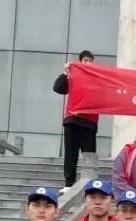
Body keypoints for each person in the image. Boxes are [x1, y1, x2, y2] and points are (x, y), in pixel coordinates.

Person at [52, 50, 98, 192]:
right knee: (70, 154)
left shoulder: (98, 78)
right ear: (80, 62)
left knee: (89, 155)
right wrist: (66, 72)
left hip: (89, 123)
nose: (88, 63)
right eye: (85, 60)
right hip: (72, 120)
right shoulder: (73, 76)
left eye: (90, 61)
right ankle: (68, 184)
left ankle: (89, 183)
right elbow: (58, 88)